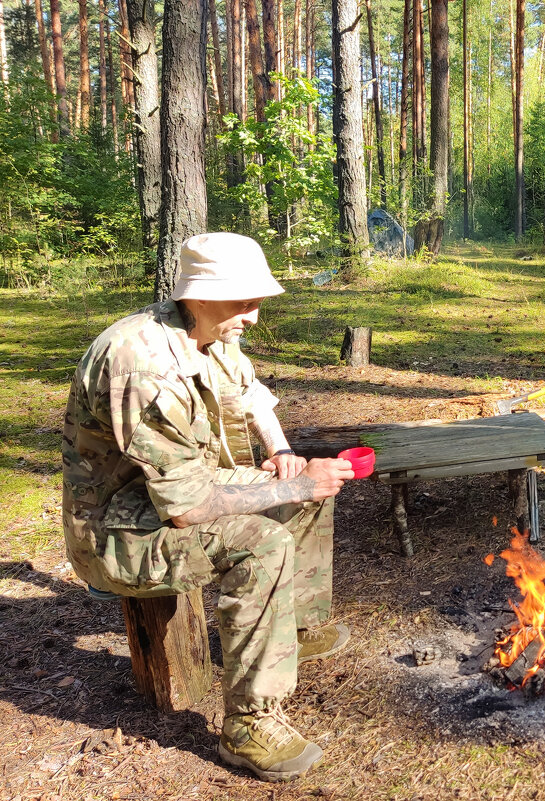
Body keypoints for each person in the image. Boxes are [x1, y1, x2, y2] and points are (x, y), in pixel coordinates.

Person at [62, 232, 357, 782]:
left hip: (171, 492)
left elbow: (250, 396)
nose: (254, 316)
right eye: (244, 302)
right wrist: (292, 487)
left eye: (257, 302)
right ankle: (248, 723)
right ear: (198, 296)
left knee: (315, 486)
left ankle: (291, 629)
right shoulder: (144, 367)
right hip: (117, 532)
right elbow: (188, 509)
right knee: (261, 541)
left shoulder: (209, 331)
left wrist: (286, 457)